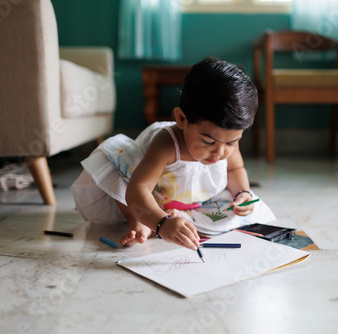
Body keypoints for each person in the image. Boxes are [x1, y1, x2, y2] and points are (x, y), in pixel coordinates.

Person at [71, 57, 276, 251]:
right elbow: (137, 188)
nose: (220, 152)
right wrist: (161, 223)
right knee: (118, 172)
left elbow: (235, 168)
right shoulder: (166, 143)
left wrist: (243, 193)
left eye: (231, 142)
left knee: (233, 215)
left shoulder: (224, 140)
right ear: (181, 118)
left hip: (190, 199)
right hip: (145, 194)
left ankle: (166, 216)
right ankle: (139, 219)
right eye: (208, 141)